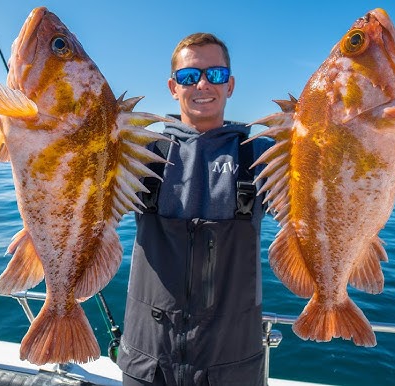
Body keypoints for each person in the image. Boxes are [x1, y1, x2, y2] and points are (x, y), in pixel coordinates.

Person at [117, 32, 273, 386]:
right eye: (189, 76)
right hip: (148, 362)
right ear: (174, 87)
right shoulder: (140, 152)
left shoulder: (262, 154)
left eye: (214, 74)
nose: (203, 84)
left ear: (230, 85)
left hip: (232, 366)